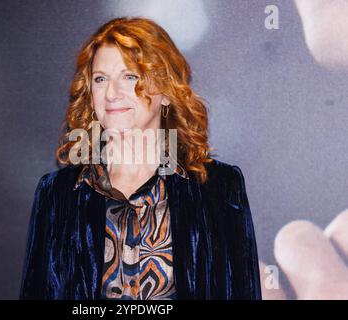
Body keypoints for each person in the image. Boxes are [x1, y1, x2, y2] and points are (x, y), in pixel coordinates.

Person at [19, 16, 261, 300]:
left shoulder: (219, 188)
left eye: (130, 76)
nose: (111, 93)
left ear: (167, 92)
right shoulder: (57, 194)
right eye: (100, 79)